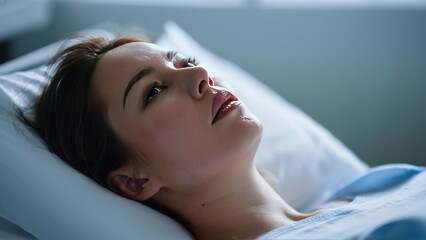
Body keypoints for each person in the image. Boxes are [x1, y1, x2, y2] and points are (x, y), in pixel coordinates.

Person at [17, 36, 331, 239]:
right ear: (136, 182)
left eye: (186, 62)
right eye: (154, 91)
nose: (199, 76)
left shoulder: (353, 196)